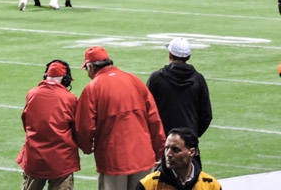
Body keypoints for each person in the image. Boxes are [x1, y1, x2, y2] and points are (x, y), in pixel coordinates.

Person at [76, 46, 166, 190]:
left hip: (112, 160)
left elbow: (84, 127)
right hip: (142, 155)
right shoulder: (135, 80)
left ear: (91, 66)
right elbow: (154, 119)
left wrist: (87, 147)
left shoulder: (92, 88)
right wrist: (158, 150)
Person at [146, 38, 212, 167]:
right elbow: (206, 115)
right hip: (188, 145)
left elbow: (146, 111)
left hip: (163, 144)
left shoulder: (157, 78)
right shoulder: (198, 79)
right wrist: (191, 135)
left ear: (170, 55)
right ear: (189, 56)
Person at [16, 60, 80, 190]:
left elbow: (26, 122)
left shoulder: (32, 93)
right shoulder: (70, 98)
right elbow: (76, 129)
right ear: (66, 80)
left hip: (34, 157)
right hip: (61, 160)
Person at [135, 128, 222, 190]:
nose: (168, 154)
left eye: (175, 150)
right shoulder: (148, 185)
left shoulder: (211, 185)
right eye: (166, 148)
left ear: (192, 152)